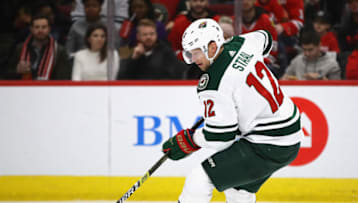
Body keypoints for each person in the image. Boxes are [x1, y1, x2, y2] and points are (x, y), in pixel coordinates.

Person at [161, 18, 303, 203]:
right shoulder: (242, 43)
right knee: (238, 191)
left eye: (197, 53)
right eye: (190, 54)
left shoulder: (213, 84)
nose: (194, 60)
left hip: (268, 144)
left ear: (213, 47)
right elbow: (266, 38)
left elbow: (221, 136)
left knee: (199, 180)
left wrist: (189, 140)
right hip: (289, 136)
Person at [6, 14, 72, 80]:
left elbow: (64, 77)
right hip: (23, 88)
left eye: (44, 27)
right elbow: (6, 73)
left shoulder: (59, 51)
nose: (40, 30)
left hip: (50, 88)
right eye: (37, 27)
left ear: (49, 29)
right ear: (31, 29)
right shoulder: (19, 48)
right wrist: (17, 71)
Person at [118, 19, 187, 79]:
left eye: (152, 34)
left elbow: (178, 72)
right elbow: (121, 77)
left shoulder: (166, 52)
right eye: (145, 34)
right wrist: (133, 59)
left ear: (156, 35)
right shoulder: (130, 52)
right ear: (138, 36)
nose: (149, 37)